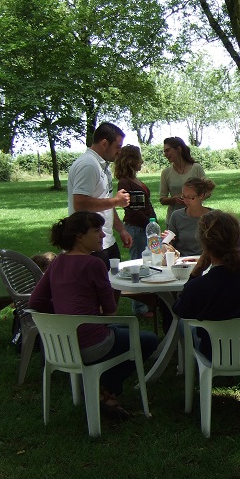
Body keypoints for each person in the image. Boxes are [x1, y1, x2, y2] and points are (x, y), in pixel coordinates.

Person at [29, 212, 158, 419]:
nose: (102, 235)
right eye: (97, 231)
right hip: (92, 344)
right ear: (79, 236)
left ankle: (99, 387)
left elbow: (35, 302)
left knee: (122, 331)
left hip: (61, 344)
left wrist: (63, 314)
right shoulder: (94, 264)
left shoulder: (57, 262)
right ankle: (106, 388)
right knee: (149, 339)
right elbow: (110, 311)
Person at [173, 210, 240, 404]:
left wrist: (196, 271)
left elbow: (180, 310)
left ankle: (196, 379)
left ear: (205, 245)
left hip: (214, 350)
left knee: (182, 325)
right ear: (238, 239)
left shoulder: (200, 286)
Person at [67, 122, 132, 268]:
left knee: (114, 281)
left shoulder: (102, 166)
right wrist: (116, 201)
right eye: (118, 147)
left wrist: (121, 229)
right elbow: (80, 203)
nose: (119, 152)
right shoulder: (88, 165)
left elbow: (105, 201)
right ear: (104, 143)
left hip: (107, 241)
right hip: (90, 245)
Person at [114, 144, 158, 319]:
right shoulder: (125, 182)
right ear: (131, 160)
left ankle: (151, 301)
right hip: (137, 228)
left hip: (146, 227)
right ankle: (139, 307)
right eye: (139, 158)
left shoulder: (135, 179)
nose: (142, 161)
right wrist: (149, 224)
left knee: (148, 263)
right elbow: (132, 210)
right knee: (138, 265)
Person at [159, 137, 206, 225]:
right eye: (164, 151)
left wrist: (192, 199)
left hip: (195, 219)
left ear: (179, 149)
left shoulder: (196, 168)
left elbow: (207, 192)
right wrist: (174, 199)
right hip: (174, 221)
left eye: (168, 150)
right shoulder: (166, 172)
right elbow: (162, 199)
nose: (165, 154)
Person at [165, 177, 216, 256]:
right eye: (183, 196)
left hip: (207, 260)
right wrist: (166, 241)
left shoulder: (214, 217)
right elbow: (171, 245)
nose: (185, 201)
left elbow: (221, 245)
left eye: (190, 197)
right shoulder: (177, 216)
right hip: (182, 260)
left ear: (201, 196)